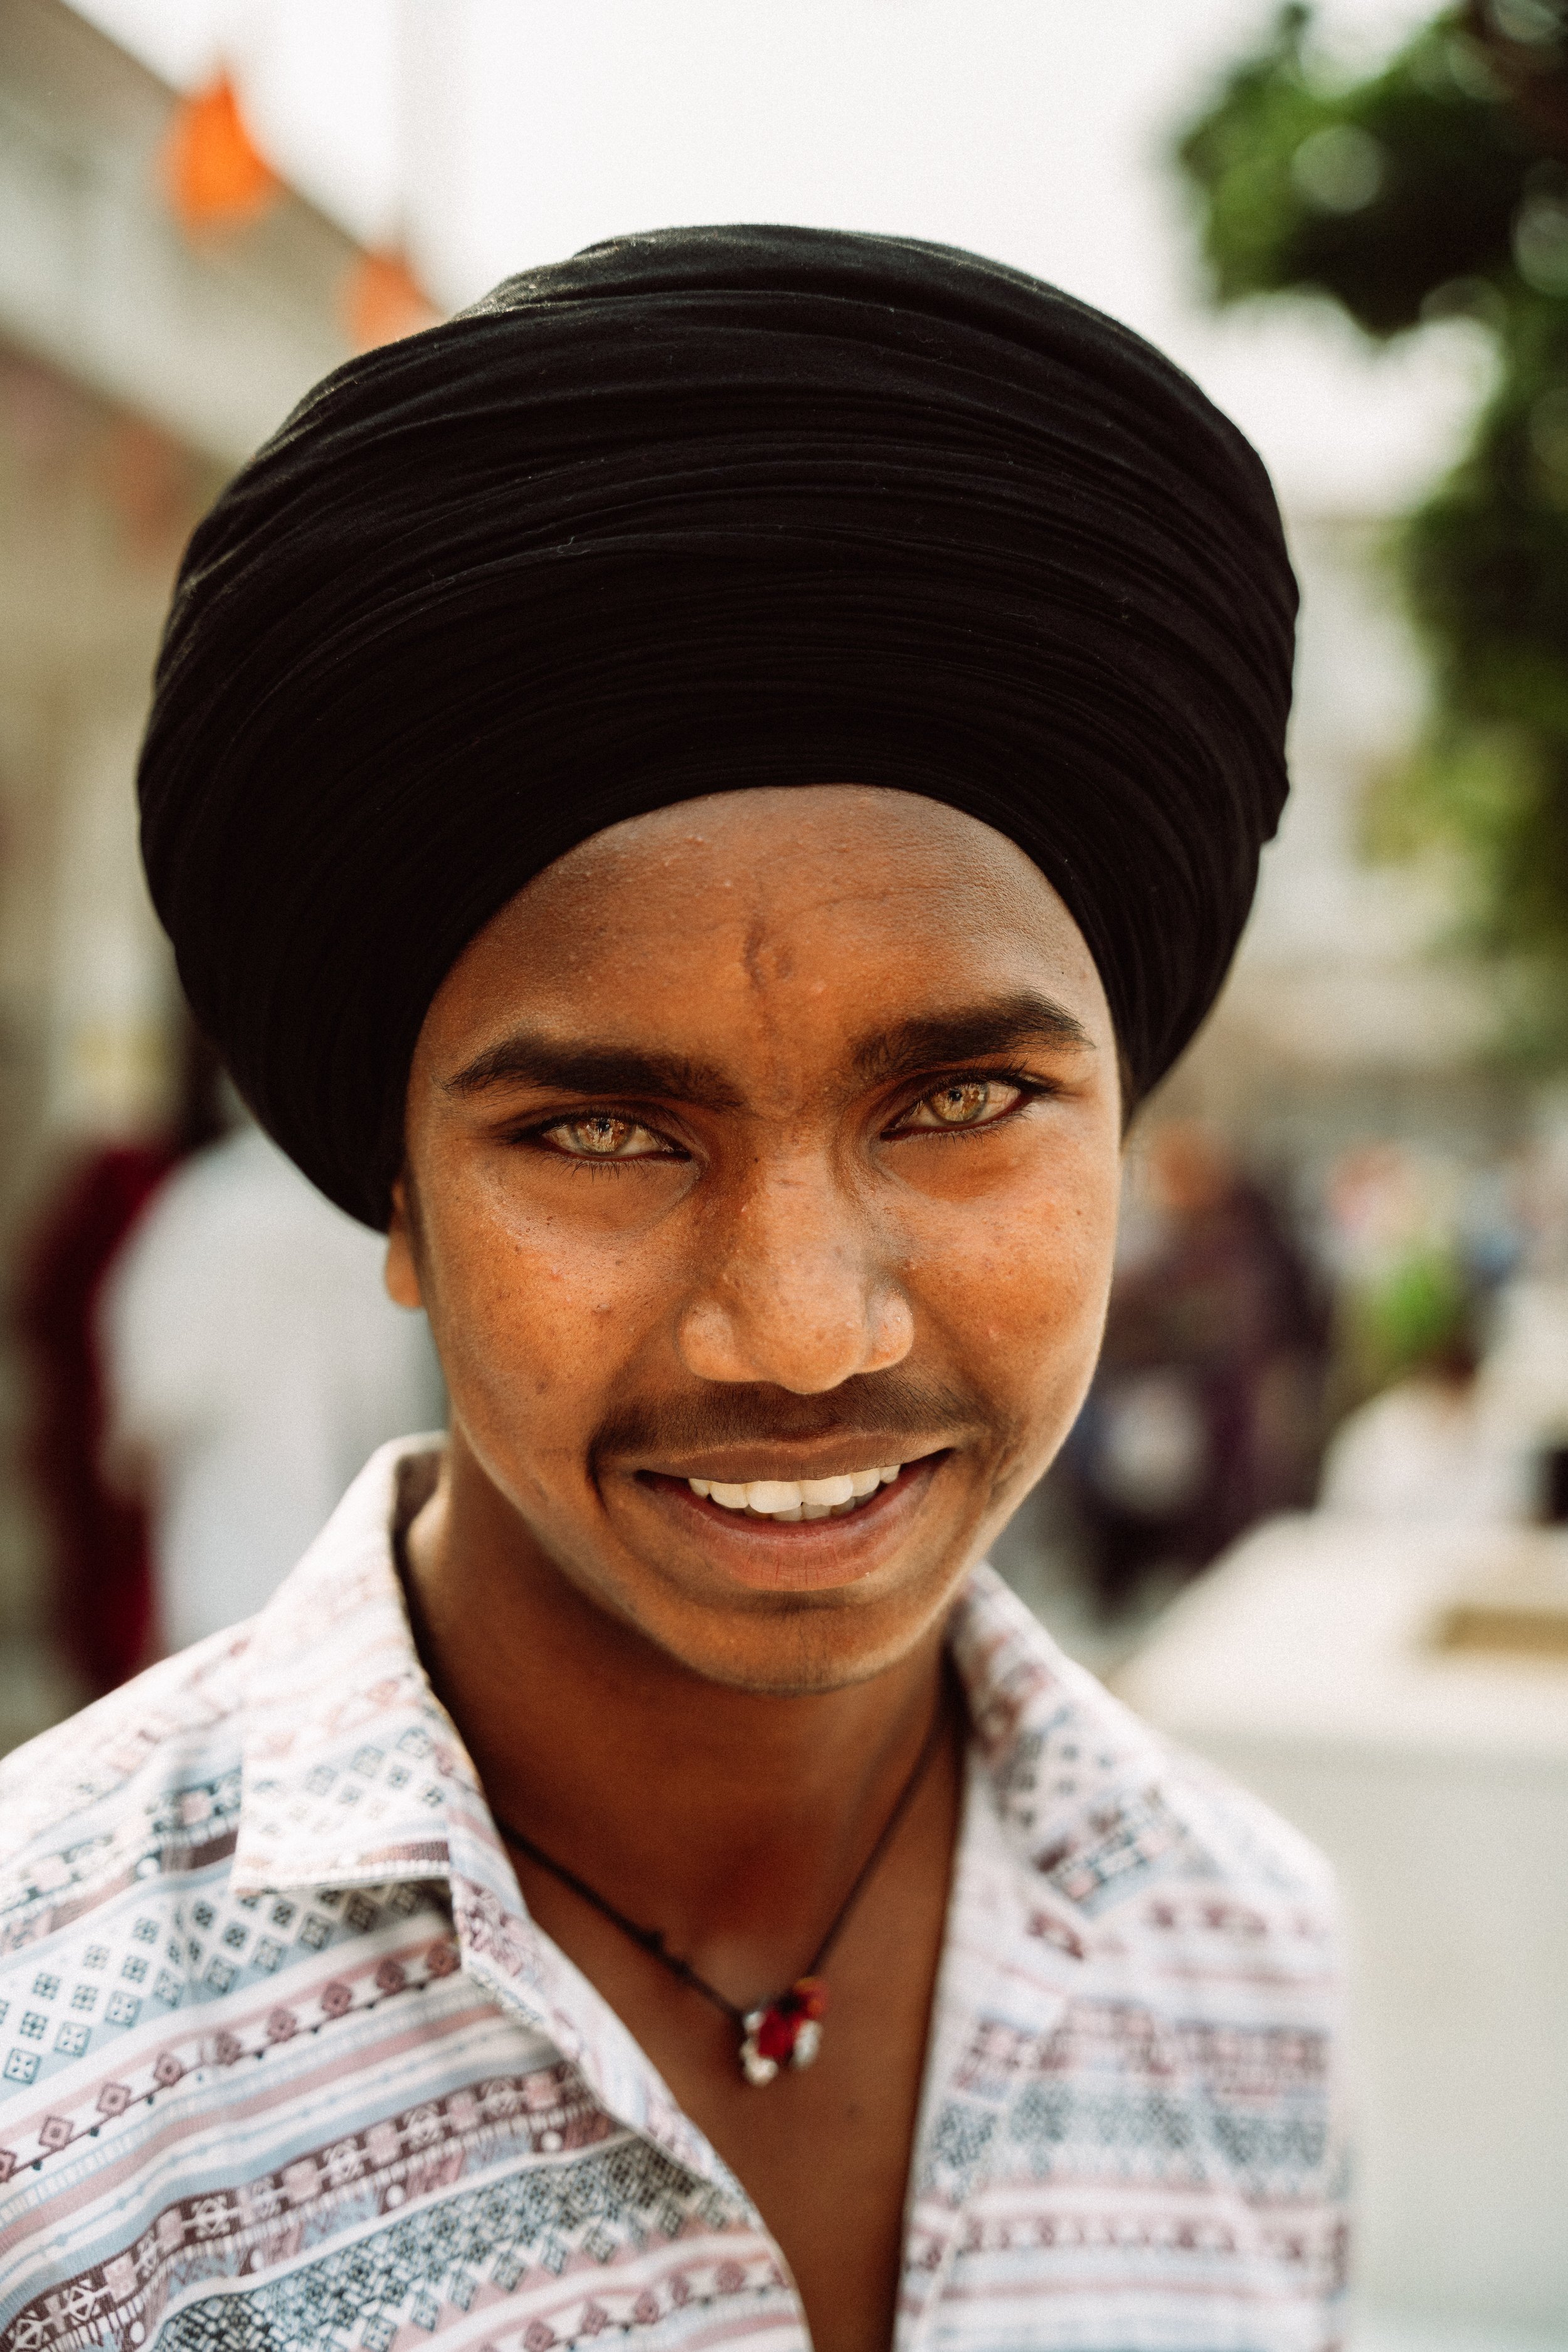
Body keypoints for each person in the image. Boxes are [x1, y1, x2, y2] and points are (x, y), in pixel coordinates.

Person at [0, 228, 1345, 2352]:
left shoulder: (1246, 1957)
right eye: (606, 1134)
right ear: (402, 1202)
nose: (807, 1332)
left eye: (967, 1097)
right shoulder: (38, 2078)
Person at [98, 1118, 446, 1652]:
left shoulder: (210, 1202)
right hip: (358, 1550)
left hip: (227, 1547)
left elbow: (155, 1390)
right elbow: (408, 1389)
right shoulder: (372, 1215)